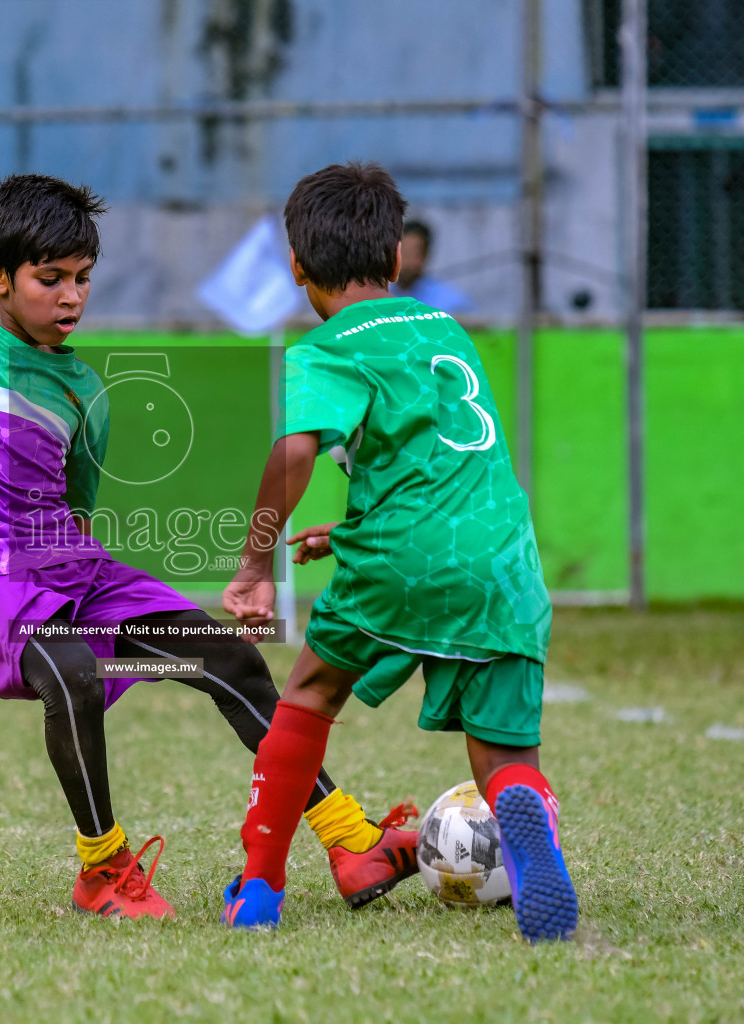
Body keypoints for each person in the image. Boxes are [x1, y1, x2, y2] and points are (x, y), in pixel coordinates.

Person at [0, 75, 419, 919]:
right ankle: (104, 866)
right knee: (73, 665)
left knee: (226, 657)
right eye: (51, 277)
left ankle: (349, 841)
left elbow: (76, 512)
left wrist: (96, 594)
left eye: (83, 277)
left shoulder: (85, 390)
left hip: (71, 569)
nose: (72, 296)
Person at [219, 162, 576, 941]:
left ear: (296, 270)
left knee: (310, 695)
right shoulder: (447, 332)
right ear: (395, 261)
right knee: (505, 750)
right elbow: (434, 472)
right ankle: (528, 827)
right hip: (502, 559)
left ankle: (257, 888)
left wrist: (254, 566)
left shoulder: (323, 350)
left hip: (397, 557)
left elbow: (294, 454)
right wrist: (341, 532)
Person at [392, 220, 475, 315]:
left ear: (425, 256)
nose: (405, 263)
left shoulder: (450, 301)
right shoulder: (380, 295)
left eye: (412, 255)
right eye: (401, 253)